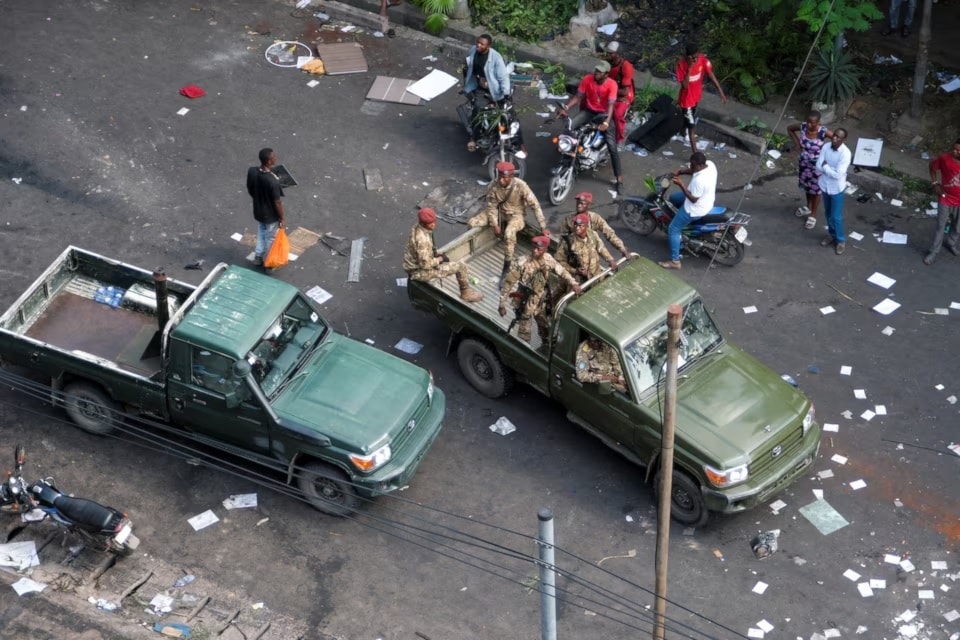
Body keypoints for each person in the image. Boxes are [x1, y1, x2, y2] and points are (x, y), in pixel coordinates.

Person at [467, 161, 549, 285]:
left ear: (511, 177)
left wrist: (543, 227)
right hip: (499, 212)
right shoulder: (493, 186)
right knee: (472, 223)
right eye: (499, 176)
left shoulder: (521, 186)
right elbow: (491, 206)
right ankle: (472, 252)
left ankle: (506, 267)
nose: (501, 180)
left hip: (516, 215)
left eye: (504, 177)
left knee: (509, 233)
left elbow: (535, 205)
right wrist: (495, 224)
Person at [499, 236, 581, 346]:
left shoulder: (548, 259)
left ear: (545, 250)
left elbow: (562, 271)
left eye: (539, 249)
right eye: (534, 248)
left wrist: (573, 283)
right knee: (524, 331)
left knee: (545, 325)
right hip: (525, 300)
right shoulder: (522, 262)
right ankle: (524, 350)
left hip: (541, 300)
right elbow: (509, 283)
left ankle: (547, 344)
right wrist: (502, 304)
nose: (535, 251)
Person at [559, 61, 625, 195]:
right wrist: (566, 107)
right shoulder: (587, 79)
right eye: (596, 70)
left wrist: (606, 122)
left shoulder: (612, 84)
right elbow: (578, 97)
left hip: (604, 114)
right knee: (570, 128)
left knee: (612, 147)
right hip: (589, 112)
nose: (596, 73)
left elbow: (611, 105)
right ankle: (569, 156)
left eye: (600, 72)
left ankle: (619, 180)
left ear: (606, 74)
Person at [403, 208, 484, 302]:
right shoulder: (422, 240)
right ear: (424, 223)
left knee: (444, 255)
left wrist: (436, 253)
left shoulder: (418, 228)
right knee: (461, 266)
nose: (434, 225)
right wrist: (440, 259)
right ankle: (466, 293)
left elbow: (421, 252)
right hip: (419, 272)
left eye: (434, 222)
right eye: (431, 223)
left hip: (414, 266)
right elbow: (425, 265)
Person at [658, 151, 718, 270]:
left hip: (695, 208)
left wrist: (681, 184)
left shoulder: (700, 180)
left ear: (698, 165)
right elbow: (692, 171)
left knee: (673, 229)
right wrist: (680, 172)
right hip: (707, 199)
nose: (690, 167)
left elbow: (693, 199)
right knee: (673, 198)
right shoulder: (710, 165)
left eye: (692, 165)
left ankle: (675, 261)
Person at [462, 34, 511, 153]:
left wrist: (505, 93)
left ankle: (515, 140)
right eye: (478, 42)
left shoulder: (496, 58)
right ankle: (474, 137)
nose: (478, 45)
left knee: (507, 114)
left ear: (488, 46)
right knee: (478, 111)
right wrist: (472, 82)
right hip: (480, 87)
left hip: (495, 89)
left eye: (482, 44)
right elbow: (470, 67)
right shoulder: (473, 50)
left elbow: (503, 77)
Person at [675, 42, 727, 153]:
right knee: (692, 126)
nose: (695, 59)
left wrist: (720, 91)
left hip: (696, 97)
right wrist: (689, 68)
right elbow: (684, 85)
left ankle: (682, 131)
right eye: (693, 58)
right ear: (688, 57)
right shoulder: (681, 65)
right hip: (686, 100)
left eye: (696, 56)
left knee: (691, 119)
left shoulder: (702, 60)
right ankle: (695, 153)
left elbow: (711, 74)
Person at [787, 111, 833, 230]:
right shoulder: (802, 126)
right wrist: (797, 143)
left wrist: (828, 156)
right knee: (807, 185)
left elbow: (837, 140)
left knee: (816, 189)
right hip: (804, 162)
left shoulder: (823, 131)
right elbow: (789, 129)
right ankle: (808, 207)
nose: (809, 125)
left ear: (818, 123)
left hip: (817, 165)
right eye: (808, 122)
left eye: (812, 123)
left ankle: (813, 214)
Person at [560, 192, 631, 259]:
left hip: (591, 252)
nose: (579, 205)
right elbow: (562, 234)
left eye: (582, 203)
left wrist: (622, 249)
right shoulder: (569, 219)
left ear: (588, 205)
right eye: (578, 203)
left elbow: (610, 234)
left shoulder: (595, 219)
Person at [923, 137, 960, 265]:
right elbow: (932, 166)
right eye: (954, 149)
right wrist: (935, 183)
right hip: (946, 197)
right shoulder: (945, 159)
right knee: (940, 226)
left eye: (959, 150)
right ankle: (934, 251)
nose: (955, 152)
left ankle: (951, 243)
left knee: (957, 226)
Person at [246, 148, 285, 267]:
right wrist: (281, 218)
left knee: (261, 232)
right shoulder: (272, 181)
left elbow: (250, 188)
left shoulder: (252, 171)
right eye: (273, 157)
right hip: (270, 215)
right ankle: (269, 261)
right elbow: (277, 202)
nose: (275, 158)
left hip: (258, 211)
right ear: (268, 161)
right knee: (270, 238)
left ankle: (258, 256)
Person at [816, 128, 852, 255]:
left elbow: (837, 175)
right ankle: (831, 235)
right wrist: (829, 169)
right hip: (825, 185)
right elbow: (818, 165)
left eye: (838, 137)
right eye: (834, 136)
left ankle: (841, 240)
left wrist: (826, 166)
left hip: (836, 188)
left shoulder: (846, 153)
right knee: (827, 213)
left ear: (844, 140)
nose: (834, 139)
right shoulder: (826, 146)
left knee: (836, 216)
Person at [556, 213, 618, 283]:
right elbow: (559, 261)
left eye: (580, 225)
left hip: (596, 277)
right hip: (579, 282)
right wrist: (575, 271)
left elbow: (601, 248)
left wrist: (610, 260)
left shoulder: (593, 234)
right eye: (575, 224)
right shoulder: (568, 242)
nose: (577, 227)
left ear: (586, 226)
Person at [605, 42, 635, 150]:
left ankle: (620, 139)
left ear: (618, 54)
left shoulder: (626, 67)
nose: (608, 55)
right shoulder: (607, 63)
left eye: (611, 53)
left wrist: (609, 91)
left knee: (617, 114)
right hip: (609, 92)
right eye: (608, 53)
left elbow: (624, 91)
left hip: (622, 95)